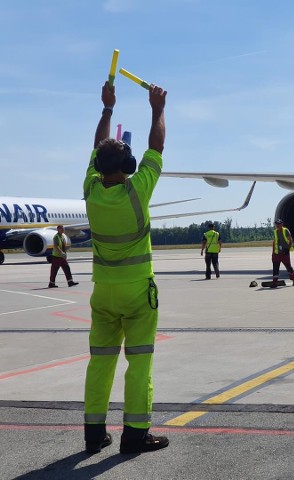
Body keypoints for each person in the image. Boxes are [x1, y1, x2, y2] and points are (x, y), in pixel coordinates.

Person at [82, 81, 169, 455]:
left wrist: (107, 109)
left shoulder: (90, 190)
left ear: (98, 165)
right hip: (137, 292)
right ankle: (134, 435)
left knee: (100, 364)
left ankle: (93, 434)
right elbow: (158, 146)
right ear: (128, 166)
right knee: (139, 364)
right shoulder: (139, 189)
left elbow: (96, 149)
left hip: (103, 292)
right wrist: (157, 108)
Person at [271, 219, 294, 287]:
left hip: (284, 252)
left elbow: (290, 240)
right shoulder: (275, 232)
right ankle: (274, 283)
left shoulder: (285, 230)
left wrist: (288, 248)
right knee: (275, 268)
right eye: (276, 224)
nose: (277, 225)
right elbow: (274, 242)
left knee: (288, 267)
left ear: (282, 224)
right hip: (277, 253)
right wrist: (273, 253)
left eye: (279, 224)